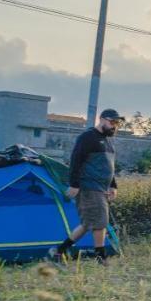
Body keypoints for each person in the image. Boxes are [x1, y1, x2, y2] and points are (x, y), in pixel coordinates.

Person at [49, 108, 124, 263]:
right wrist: (74, 185)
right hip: (89, 186)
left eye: (117, 123)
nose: (114, 126)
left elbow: (109, 166)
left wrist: (113, 185)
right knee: (101, 222)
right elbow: (76, 161)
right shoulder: (87, 137)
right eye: (112, 122)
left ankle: (58, 250)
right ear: (102, 119)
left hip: (102, 188)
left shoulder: (109, 141)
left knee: (88, 224)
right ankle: (100, 256)